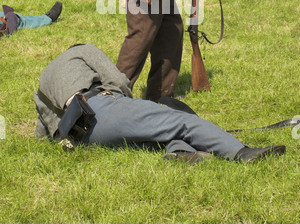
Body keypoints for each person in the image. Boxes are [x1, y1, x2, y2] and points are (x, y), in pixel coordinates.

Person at [34, 43, 286, 164]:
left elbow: (43, 134)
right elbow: (118, 82)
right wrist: (132, 108)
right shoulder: (83, 50)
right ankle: (242, 153)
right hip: (102, 109)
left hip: (83, 138)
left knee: (157, 132)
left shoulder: (42, 84)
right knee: (180, 120)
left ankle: (181, 154)